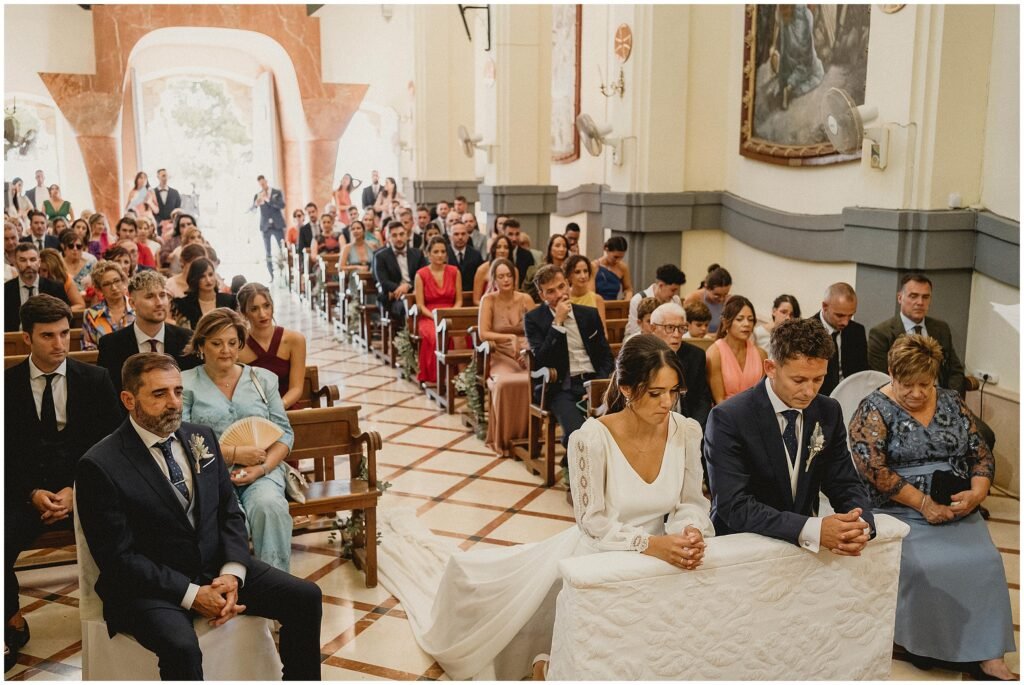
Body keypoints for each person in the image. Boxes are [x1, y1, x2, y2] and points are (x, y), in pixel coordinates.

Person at [379, 334, 712, 681]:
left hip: (663, 550)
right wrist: (652, 546)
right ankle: (546, 661)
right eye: (656, 393)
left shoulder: (685, 431)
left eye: (675, 392)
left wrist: (688, 530)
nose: (667, 404)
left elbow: (691, 501)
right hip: (601, 551)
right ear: (627, 389)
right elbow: (593, 523)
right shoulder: (591, 439)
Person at [76, 352, 322, 680]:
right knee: (182, 648)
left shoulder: (200, 437)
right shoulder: (100, 465)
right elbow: (118, 560)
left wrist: (232, 573)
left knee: (305, 597)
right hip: (150, 588)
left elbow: (230, 513)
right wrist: (192, 595)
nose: (174, 403)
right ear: (128, 399)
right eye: (159, 394)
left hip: (214, 566)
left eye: (178, 391)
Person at [848, 335, 1015, 679]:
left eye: (925, 384)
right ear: (891, 373)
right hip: (899, 507)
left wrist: (977, 493)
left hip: (955, 504)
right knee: (933, 565)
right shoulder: (873, 409)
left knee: (985, 560)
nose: (918, 393)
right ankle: (928, 646)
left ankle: (988, 653)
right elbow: (874, 470)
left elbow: (980, 453)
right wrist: (922, 503)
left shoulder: (952, 402)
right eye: (908, 384)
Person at [4, 295, 121, 672]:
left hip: (85, 488)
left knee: (123, 526)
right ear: (27, 339)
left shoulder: (95, 379)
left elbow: (113, 443)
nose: (59, 345)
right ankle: (9, 618)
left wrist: (76, 489)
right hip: (26, 494)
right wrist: (31, 493)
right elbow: (4, 452)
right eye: (48, 336)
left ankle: (121, 613)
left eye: (63, 335)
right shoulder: (6, 386)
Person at [705, 317, 875, 560]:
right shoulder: (729, 417)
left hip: (802, 554)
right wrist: (812, 529)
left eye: (818, 379)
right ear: (770, 368)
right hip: (743, 549)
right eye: (799, 380)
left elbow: (843, 481)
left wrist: (859, 523)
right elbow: (734, 505)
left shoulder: (828, 410)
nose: (809, 391)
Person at [180, 308, 297, 568]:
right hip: (210, 475)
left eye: (233, 343)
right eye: (216, 343)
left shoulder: (262, 380)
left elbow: (284, 434)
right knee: (230, 519)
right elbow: (182, 441)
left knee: (269, 506)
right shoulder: (185, 384)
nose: (226, 350)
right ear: (201, 345)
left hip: (263, 470)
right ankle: (234, 585)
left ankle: (277, 581)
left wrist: (262, 468)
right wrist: (232, 455)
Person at [525, 265, 614, 455]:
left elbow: (606, 355)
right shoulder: (534, 319)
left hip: (594, 380)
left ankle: (579, 462)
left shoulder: (588, 314)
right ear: (541, 296)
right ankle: (574, 466)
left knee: (615, 429)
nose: (559, 294)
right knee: (577, 433)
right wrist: (557, 324)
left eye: (561, 287)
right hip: (560, 386)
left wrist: (599, 384)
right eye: (550, 291)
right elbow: (540, 360)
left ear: (567, 284)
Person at [97, 270, 198, 393]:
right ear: (133, 303)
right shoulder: (111, 345)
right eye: (150, 296)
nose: (159, 303)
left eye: (162, 295)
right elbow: (109, 394)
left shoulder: (187, 339)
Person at [868, 273, 966, 394]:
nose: (920, 302)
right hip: (902, 400)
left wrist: (949, 398)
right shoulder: (881, 334)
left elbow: (955, 371)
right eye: (913, 296)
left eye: (925, 297)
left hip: (940, 398)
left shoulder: (941, 329)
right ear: (900, 298)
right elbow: (883, 379)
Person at [477, 258, 533, 456]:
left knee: (532, 380)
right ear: (494, 279)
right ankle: (504, 438)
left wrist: (527, 349)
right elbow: (483, 333)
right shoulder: (489, 300)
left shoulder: (525, 299)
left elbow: (537, 329)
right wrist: (510, 337)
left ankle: (528, 435)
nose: (506, 280)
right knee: (503, 383)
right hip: (499, 353)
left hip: (524, 353)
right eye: (501, 276)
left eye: (509, 275)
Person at [237, 282, 307, 410]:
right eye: (254, 309)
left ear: (272, 306)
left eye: (266, 306)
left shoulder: (295, 340)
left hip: (288, 410)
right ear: (244, 313)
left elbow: (296, 388)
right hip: (253, 413)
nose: (263, 314)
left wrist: (278, 407)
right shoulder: (238, 347)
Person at [650, 302, 713, 430]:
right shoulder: (640, 356)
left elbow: (702, 399)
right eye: (670, 328)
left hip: (686, 422)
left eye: (681, 328)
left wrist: (695, 427)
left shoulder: (696, 355)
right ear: (653, 329)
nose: (677, 334)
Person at [415, 236, 461, 385]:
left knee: (462, 336)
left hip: (451, 314)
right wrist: (436, 317)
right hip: (429, 316)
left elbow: (459, 300)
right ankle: (438, 377)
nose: (440, 255)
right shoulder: (421, 274)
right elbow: (420, 305)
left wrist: (452, 313)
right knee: (435, 336)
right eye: (436, 251)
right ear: (428, 254)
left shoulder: (454, 271)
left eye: (443, 251)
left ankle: (460, 376)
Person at [706, 295, 767, 404]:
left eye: (750, 320)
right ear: (726, 322)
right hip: (726, 414)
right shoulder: (715, 353)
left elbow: (763, 396)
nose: (746, 324)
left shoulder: (761, 354)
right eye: (739, 319)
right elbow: (719, 400)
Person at [813, 283, 868, 396]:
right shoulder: (808, 331)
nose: (845, 322)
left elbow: (861, 371)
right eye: (840, 315)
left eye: (850, 316)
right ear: (825, 306)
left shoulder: (857, 331)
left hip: (851, 396)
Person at [373, 221, 427, 330]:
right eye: (394, 235)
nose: (399, 238)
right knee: (405, 308)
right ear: (388, 238)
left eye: (402, 234)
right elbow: (383, 281)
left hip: (416, 294)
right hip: (393, 298)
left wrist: (407, 286)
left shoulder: (418, 254)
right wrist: (399, 289)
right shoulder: (380, 256)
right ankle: (409, 340)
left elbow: (423, 276)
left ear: (407, 235)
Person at [5, 243, 69, 331]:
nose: (28, 264)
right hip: (14, 339)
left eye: (32, 259)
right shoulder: (5, 290)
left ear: (39, 262)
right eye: (23, 260)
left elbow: (66, 319)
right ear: (15, 263)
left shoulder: (55, 288)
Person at [171, 258, 237, 330]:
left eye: (210, 274)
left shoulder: (230, 301)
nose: (208, 280)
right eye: (202, 276)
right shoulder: (185, 305)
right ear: (195, 279)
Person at [82, 261, 135, 351]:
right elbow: (88, 348)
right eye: (107, 284)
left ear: (123, 282)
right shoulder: (91, 314)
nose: (114, 287)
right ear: (99, 289)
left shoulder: (137, 307)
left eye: (117, 281)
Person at [626, 264, 686, 337]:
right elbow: (635, 331)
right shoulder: (638, 299)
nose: (675, 294)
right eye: (673, 290)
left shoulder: (676, 300)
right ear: (661, 285)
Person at [252, 175, 286, 280]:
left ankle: (284, 274)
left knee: (282, 249)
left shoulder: (277, 192)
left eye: (263, 183)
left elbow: (282, 205)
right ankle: (272, 276)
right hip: (265, 227)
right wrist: (256, 204)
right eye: (260, 184)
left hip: (277, 225)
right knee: (268, 252)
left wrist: (268, 199)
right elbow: (252, 210)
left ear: (266, 181)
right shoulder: (257, 195)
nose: (263, 185)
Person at [684, 266, 732, 334]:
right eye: (717, 295)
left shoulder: (729, 301)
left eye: (725, 294)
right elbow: (684, 327)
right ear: (706, 287)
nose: (722, 299)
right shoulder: (694, 298)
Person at [564, 254, 607, 326]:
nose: (583, 276)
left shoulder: (597, 299)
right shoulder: (563, 298)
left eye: (585, 271)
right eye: (577, 272)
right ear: (569, 275)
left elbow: (603, 332)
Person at [472, 234, 514, 304]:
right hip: (487, 308)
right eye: (498, 247)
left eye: (506, 247)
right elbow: (476, 300)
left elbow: (514, 296)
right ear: (493, 249)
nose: (502, 250)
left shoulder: (514, 270)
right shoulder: (482, 269)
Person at [591, 236, 633, 301]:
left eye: (621, 257)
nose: (618, 260)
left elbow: (628, 289)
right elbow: (590, 293)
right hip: (597, 305)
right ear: (606, 250)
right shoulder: (594, 266)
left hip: (614, 305)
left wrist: (627, 299)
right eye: (615, 257)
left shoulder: (623, 268)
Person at [447, 221, 483, 293]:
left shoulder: (476, 255)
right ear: (450, 237)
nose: (460, 237)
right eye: (456, 234)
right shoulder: (444, 254)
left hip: (471, 295)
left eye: (463, 234)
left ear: (467, 236)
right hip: (449, 295)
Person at [57, 228, 95, 294]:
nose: (75, 249)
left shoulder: (90, 263)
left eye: (78, 246)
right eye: (71, 246)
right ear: (64, 248)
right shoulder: (58, 265)